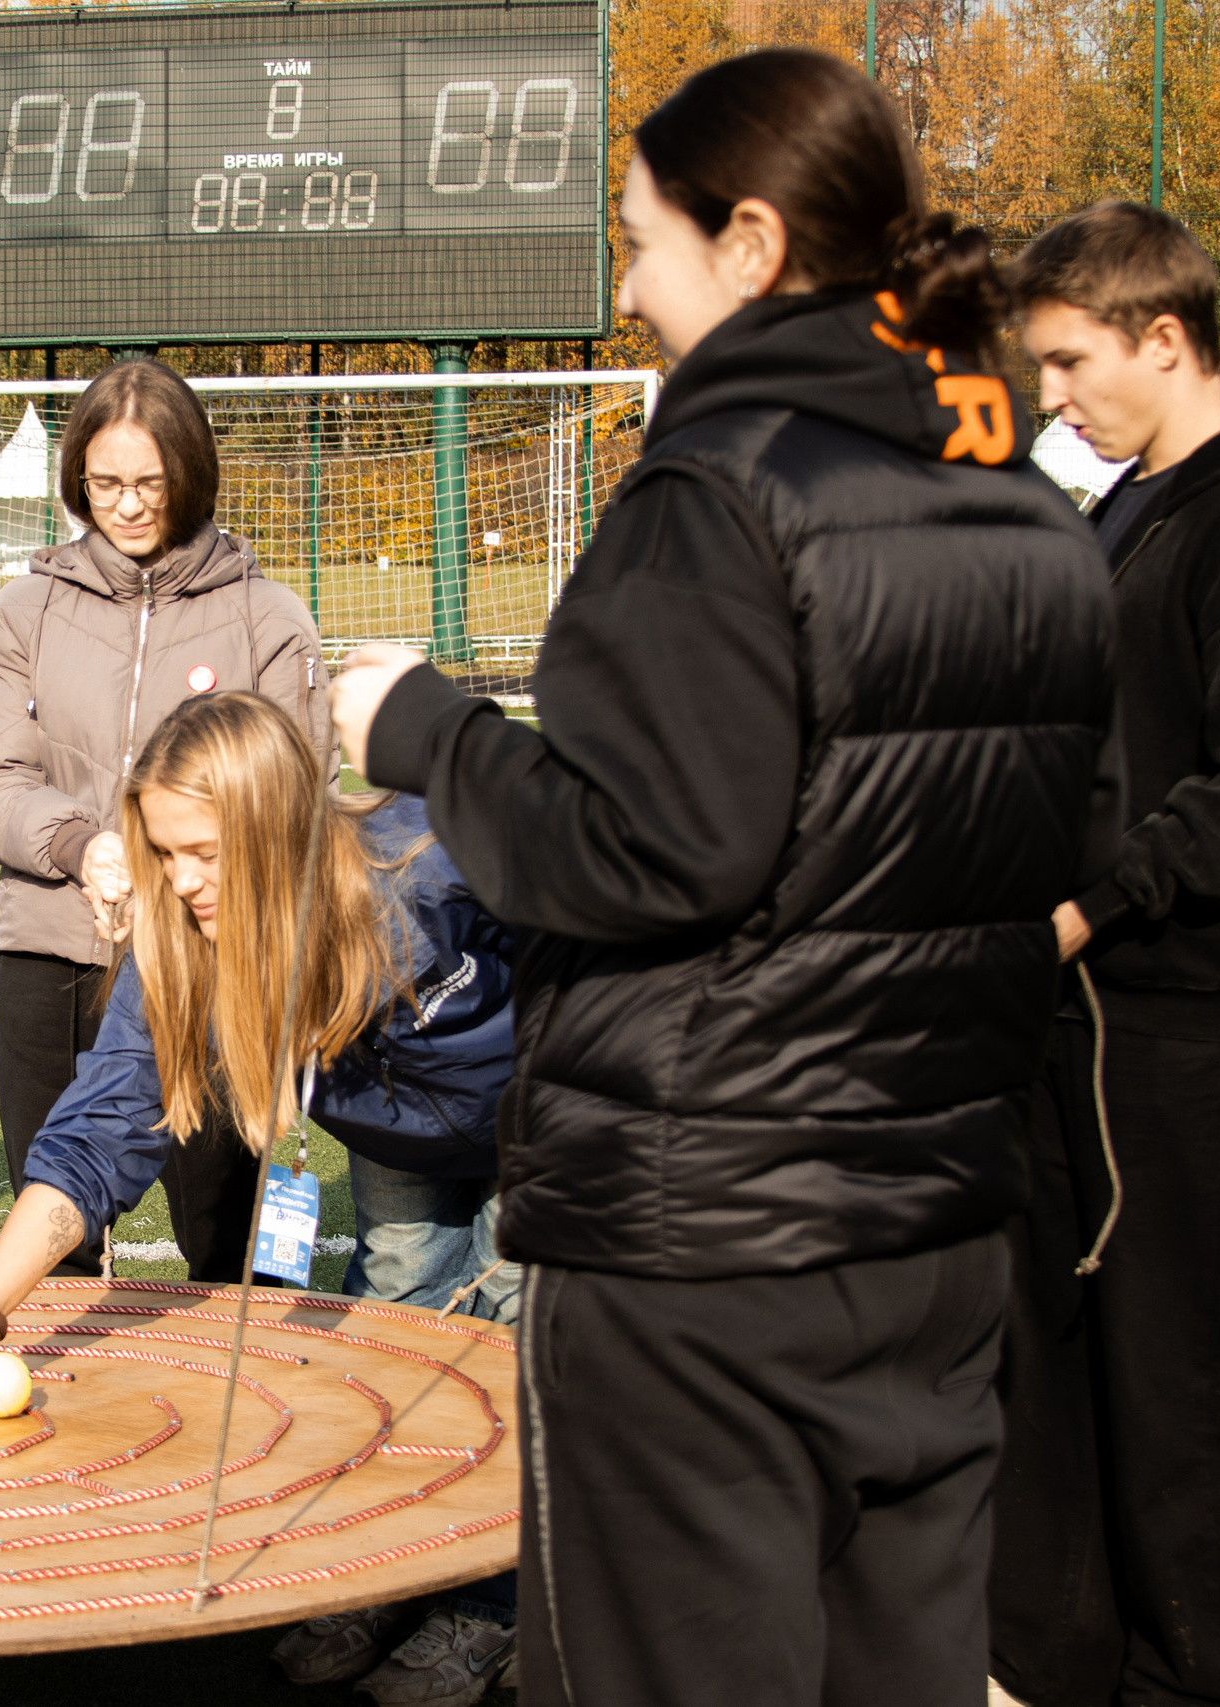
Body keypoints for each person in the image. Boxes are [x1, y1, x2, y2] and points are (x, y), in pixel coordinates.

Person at [331, 49, 1118, 1707]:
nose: (626, 292)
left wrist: (422, 728)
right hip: (938, 1230)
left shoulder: (718, 491)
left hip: (706, 1253)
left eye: (641, 242)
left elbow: (646, 847)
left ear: (750, 242)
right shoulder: (1030, 516)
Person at [0, 691, 522, 1705]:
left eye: (205, 851)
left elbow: (621, 930)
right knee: (392, 1327)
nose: (183, 881)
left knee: (526, 1351)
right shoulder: (183, 947)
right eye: (163, 853)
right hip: (400, 1144)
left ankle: (496, 1609)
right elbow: (94, 1137)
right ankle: (393, 1567)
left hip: (561, 1115)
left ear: (277, 826)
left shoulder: (431, 860)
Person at [986, 203, 1220, 1707]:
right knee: (1065, 1406)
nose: (1053, 397)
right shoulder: (1118, 509)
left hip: (1196, 1054)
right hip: (1070, 1042)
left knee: (1193, 1434)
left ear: (1164, 339)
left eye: (1068, 362)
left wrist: (1083, 909)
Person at [0, 358, 328, 1283]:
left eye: (149, 484)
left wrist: (174, 874)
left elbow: (298, 799)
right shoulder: (24, 611)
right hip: (49, 955)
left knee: (222, 1245)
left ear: (191, 474)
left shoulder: (269, 617)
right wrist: (85, 848)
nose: (125, 506)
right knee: (57, 1242)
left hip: (207, 967)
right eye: (104, 483)